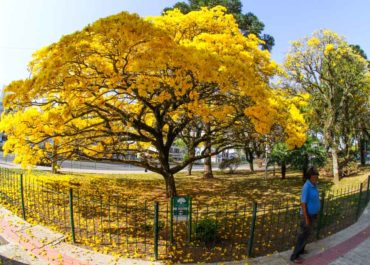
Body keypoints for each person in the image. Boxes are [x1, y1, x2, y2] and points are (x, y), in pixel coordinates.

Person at [290, 167, 320, 264]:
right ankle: (294, 256)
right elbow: (303, 203)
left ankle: (301, 250)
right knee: (302, 236)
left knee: (307, 234)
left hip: (313, 214)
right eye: (314, 177)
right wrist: (306, 218)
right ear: (310, 177)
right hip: (307, 215)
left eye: (317, 177)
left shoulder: (313, 185)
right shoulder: (307, 187)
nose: (316, 179)